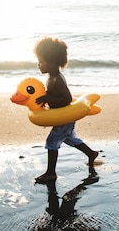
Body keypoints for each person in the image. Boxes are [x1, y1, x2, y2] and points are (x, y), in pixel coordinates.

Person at [33, 37, 99, 184]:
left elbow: (67, 99)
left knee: (52, 141)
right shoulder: (51, 77)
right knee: (70, 139)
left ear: (52, 61)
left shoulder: (57, 79)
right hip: (62, 119)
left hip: (65, 118)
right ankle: (91, 153)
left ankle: (51, 173)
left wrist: (48, 99)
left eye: (41, 61)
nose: (38, 64)